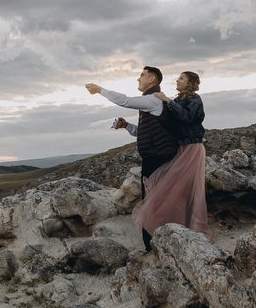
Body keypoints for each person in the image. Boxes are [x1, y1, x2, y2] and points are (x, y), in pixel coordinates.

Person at [85, 66, 178, 250]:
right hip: (155, 157)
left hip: (157, 158)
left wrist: (100, 90)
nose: (138, 79)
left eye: (142, 75)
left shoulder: (153, 99)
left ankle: (155, 245)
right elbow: (143, 132)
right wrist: (127, 126)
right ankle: (159, 241)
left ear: (152, 79)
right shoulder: (151, 102)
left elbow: (126, 101)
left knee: (153, 202)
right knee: (154, 200)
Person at [142, 71, 208, 239]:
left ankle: (193, 228)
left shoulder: (195, 100)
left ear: (190, 82)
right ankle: (172, 224)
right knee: (174, 189)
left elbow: (186, 117)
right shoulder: (177, 101)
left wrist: (167, 100)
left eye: (181, 78)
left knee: (187, 189)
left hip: (192, 148)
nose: (177, 80)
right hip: (179, 148)